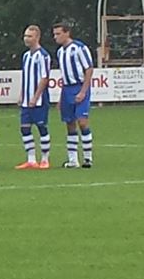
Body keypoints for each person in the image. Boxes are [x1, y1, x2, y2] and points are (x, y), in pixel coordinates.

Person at [54, 22, 95, 168]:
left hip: (79, 86)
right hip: (67, 89)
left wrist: (83, 91)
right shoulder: (60, 52)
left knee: (82, 122)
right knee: (70, 123)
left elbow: (89, 69)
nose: (55, 37)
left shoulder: (79, 48)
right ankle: (73, 160)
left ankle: (88, 158)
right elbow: (64, 76)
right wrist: (61, 98)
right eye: (54, 34)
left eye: (58, 34)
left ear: (67, 33)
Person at [17, 25, 54, 170]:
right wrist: (22, 94)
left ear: (37, 37)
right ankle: (31, 159)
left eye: (29, 36)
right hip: (26, 100)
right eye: (25, 36)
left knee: (41, 127)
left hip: (39, 100)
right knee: (24, 128)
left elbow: (45, 78)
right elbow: (25, 76)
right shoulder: (26, 56)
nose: (26, 39)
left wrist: (35, 96)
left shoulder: (43, 55)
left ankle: (45, 159)